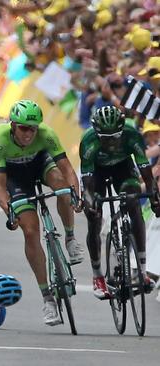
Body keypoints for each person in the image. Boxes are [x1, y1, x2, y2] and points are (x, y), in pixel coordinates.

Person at [0, 99, 83, 327]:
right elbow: (0, 186)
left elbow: (68, 169)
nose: (29, 133)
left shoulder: (46, 134)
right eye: (23, 128)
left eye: (33, 128)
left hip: (40, 164)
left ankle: (69, 238)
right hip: (15, 177)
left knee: (62, 187)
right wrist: (8, 212)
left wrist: (75, 196)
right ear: (12, 125)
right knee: (31, 231)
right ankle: (48, 298)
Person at [80, 106, 160, 299]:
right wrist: (90, 203)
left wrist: (154, 198)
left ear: (122, 130)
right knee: (94, 220)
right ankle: (98, 277)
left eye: (114, 137)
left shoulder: (132, 136)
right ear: (97, 133)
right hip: (97, 174)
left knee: (133, 205)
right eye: (104, 138)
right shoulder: (89, 141)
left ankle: (142, 272)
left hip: (123, 169)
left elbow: (146, 173)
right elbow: (88, 183)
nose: (109, 143)